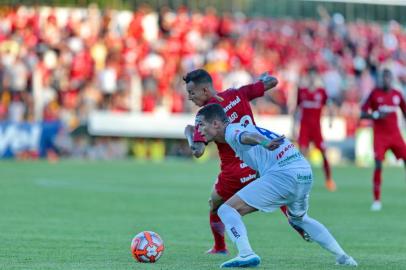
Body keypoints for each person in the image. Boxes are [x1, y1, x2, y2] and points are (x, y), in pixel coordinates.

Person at [196, 103, 358, 268]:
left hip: (284, 174)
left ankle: (246, 253)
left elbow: (247, 137)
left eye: (201, 124)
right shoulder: (238, 130)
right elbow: (256, 152)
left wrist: (264, 142)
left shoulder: (231, 131)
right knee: (300, 219)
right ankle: (344, 257)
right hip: (304, 172)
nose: (199, 130)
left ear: (216, 124)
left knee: (225, 209)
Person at [183, 69, 308, 254]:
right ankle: (295, 218)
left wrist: (189, 133)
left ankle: (220, 247)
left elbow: (198, 152)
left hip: (233, 172)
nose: (189, 98)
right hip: (259, 164)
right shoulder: (237, 93)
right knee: (276, 190)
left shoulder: (206, 115)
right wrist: (262, 79)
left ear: (204, 90)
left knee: (215, 204)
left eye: (191, 93)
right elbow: (272, 82)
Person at [360, 68, 406, 211]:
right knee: (378, 165)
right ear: (380, 79)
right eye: (383, 78)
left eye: (388, 78)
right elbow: (362, 113)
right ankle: (376, 200)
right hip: (380, 137)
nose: (385, 80)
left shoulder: (397, 94)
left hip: (395, 135)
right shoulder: (374, 94)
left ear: (391, 79)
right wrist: (375, 115)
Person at [295, 67, 336, 191]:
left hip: (317, 129)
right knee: (302, 154)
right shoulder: (302, 91)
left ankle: (329, 180)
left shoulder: (321, 92)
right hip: (304, 128)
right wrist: (293, 125)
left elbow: (329, 105)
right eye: (310, 76)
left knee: (323, 153)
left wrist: (330, 119)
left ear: (317, 77)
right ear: (308, 77)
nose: (312, 78)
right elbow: (296, 109)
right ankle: (299, 181)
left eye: (314, 76)